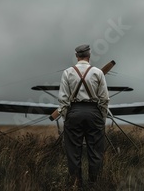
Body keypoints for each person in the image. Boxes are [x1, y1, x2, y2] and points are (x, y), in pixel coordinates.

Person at [58, 44, 110, 187]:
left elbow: (63, 99)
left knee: (73, 152)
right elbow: (104, 98)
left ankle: (76, 185)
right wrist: (102, 117)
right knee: (95, 152)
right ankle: (94, 185)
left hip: (73, 112)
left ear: (76, 56)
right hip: (94, 113)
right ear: (89, 55)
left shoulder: (67, 72)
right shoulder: (98, 72)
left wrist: (66, 117)